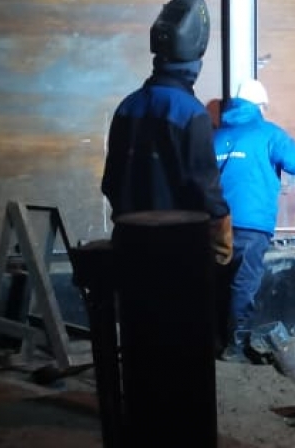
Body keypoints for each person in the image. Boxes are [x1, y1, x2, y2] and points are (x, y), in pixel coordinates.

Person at [100, 0, 233, 265]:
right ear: (195, 59)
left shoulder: (127, 107)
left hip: (129, 247)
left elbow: (110, 182)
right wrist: (221, 238)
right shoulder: (191, 113)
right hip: (178, 252)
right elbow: (205, 189)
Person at [213, 80, 295, 361]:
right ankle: (235, 347)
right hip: (251, 224)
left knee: (217, 282)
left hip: (215, 224)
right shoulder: (267, 133)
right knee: (243, 284)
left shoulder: (215, 137)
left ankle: (215, 341)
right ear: (260, 106)